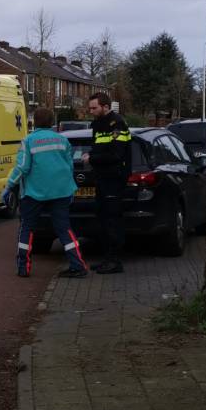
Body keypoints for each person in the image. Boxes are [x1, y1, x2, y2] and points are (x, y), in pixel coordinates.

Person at [2, 107, 88, 278]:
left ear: (34, 122)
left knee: (27, 228)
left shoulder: (28, 141)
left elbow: (22, 168)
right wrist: (70, 188)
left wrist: (9, 186)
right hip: (61, 191)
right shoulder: (62, 140)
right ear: (51, 122)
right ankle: (77, 265)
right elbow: (69, 165)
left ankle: (23, 267)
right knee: (64, 229)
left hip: (35, 192)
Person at [82, 92, 131, 274]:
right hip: (102, 178)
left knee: (112, 220)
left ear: (106, 106)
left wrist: (92, 158)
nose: (91, 111)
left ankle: (115, 261)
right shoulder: (97, 124)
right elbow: (100, 147)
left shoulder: (117, 124)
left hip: (114, 178)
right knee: (102, 219)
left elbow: (116, 154)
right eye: (90, 108)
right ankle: (106, 259)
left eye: (94, 108)